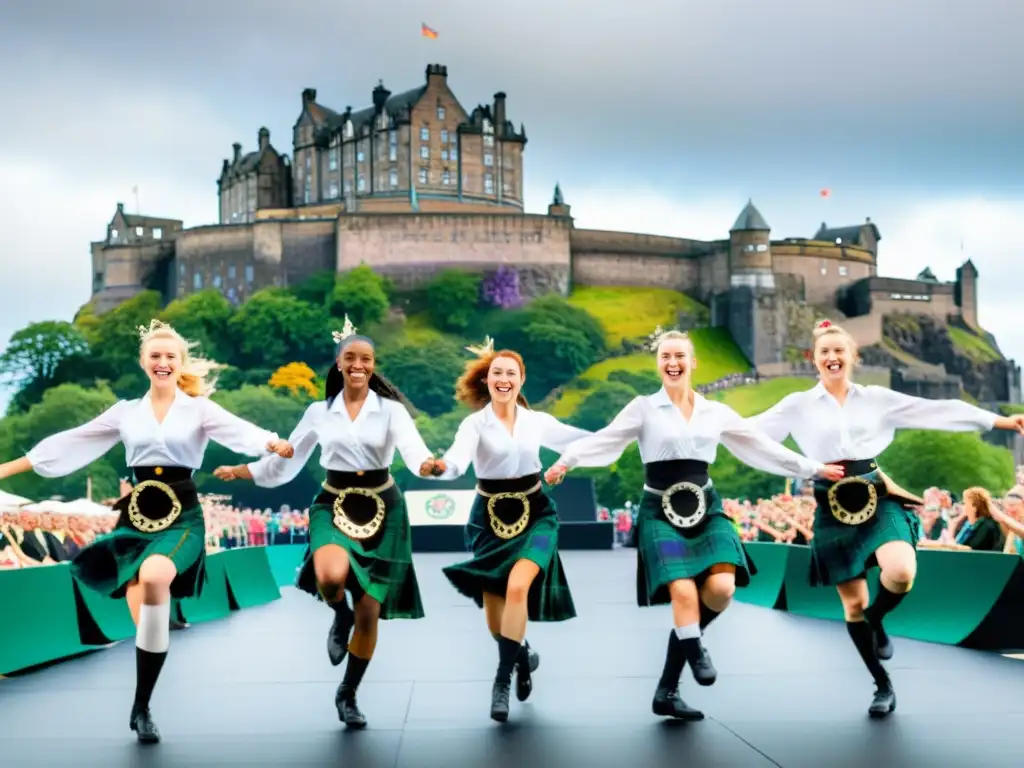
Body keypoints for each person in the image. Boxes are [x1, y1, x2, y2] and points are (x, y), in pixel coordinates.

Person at [0, 319, 292, 744]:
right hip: (136, 517)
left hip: (182, 515)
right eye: (155, 356)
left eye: (170, 357)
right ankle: (143, 706)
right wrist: (7, 468)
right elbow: (69, 442)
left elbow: (239, 429)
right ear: (143, 362)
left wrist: (272, 443)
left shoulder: (199, 409)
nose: (162, 362)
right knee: (146, 621)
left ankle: (142, 698)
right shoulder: (125, 413)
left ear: (180, 363)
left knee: (156, 577)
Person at [544, 329, 843, 722]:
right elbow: (607, 439)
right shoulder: (643, 408)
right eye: (665, 356)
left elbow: (761, 446)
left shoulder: (715, 412)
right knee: (684, 592)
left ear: (693, 362)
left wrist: (813, 467)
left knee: (721, 589)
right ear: (658, 363)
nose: (672, 363)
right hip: (659, 511)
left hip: (707, 508)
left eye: (679, 356)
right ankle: (694, 651)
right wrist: (568, 460)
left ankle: (669, 683)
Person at [748, 319, 1024, 718]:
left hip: (879, 494)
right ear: (815, 360)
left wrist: (997, 420)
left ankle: (878, 619)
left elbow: (937, 411)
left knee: (900, 573)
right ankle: (882, 684)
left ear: (853, 357)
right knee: (853, 604)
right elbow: (750, 434)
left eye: (839, 351)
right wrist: (802, 464)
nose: (832, 357)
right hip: (832, 501)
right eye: (825, 352)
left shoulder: (876, 398)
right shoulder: (796, 405)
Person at [213, 316, 435, 729]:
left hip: (384, 507)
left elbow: (414, 450)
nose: (358, 364)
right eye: (350, 357)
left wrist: (428, 465)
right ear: (338, 364)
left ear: (373, 364)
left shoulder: (391, 411)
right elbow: (287, 459)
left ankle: (348, 693)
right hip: (333, 502)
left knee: (370, 609)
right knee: (330, 576)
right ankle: (339, 614)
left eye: (365, 358)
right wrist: (243, 470)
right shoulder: (319, 411)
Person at [418, 337, 589, 723]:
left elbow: (585, 440)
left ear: (521, 380)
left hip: (537, 512)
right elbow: (457, 461)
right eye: (497, 373)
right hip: (488, 518)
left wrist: (568, 462)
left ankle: (500, 682)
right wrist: (441, 468)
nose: (504, 379)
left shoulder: (538, 422)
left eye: (511, 373)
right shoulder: (473, 424)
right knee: (497, 621)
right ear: (487, 381)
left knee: (517, 587)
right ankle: (523, 656)